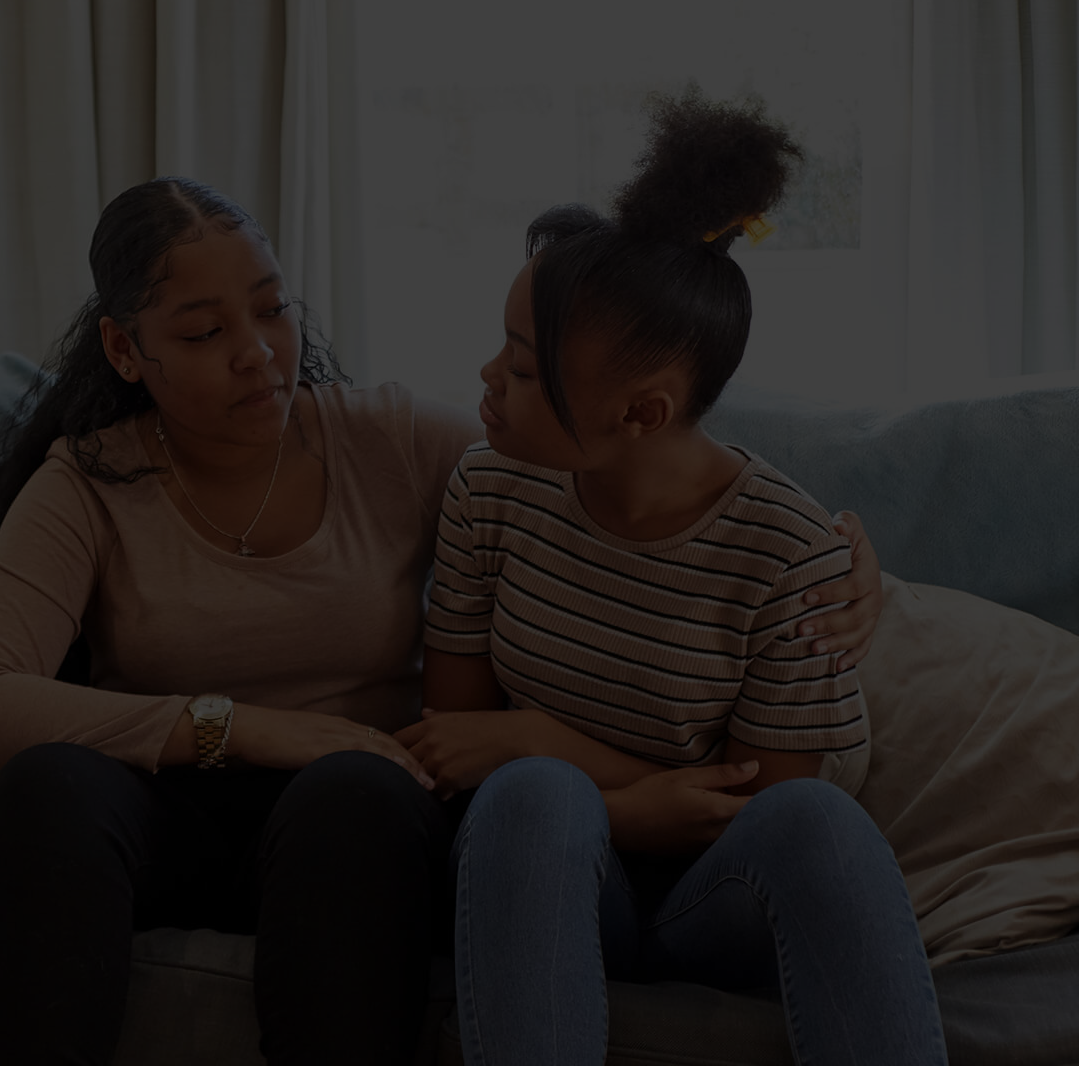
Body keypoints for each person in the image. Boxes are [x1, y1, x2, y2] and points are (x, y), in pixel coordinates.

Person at [0, 174, 887, 1065]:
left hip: (361, 824)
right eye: (201, 332)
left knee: (353, 789)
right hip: (171, 809)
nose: (258, 353)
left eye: (270, 309)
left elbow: (595, 452)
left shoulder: (391, 440)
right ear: (126, 350)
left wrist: (848, 565)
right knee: (45, 784)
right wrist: (241, 726)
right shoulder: (89, 483)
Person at [402, 90, 947, 1064]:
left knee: (818, 820)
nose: (487, 378)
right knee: (536, 798)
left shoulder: (791, 553)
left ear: (642, 414)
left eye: (524, 370)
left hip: (715, 899)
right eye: (502, 347)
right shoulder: (490, 489)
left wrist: (545, 746)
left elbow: (758, 805)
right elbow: (458, 746)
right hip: (547, 871)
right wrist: (605, 793)